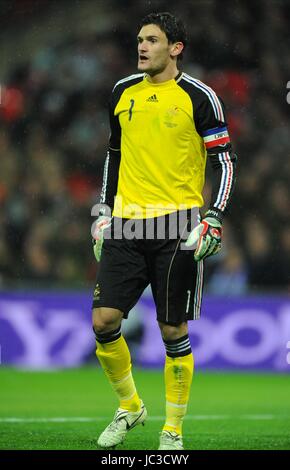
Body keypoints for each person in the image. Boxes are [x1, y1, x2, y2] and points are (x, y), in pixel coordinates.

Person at [92, 12, 237, 450]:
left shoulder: (200, 96)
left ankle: (172, 430)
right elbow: (114, 157)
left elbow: (224, 161)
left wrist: (214, 214)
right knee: (104, 321)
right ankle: (131, 406)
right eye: (139, 40)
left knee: (171, 330)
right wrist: (102, 209)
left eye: (152, 40)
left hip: (178, 226)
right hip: (125, 222)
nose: (142, 47)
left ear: (175, 48)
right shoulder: (122, 92)